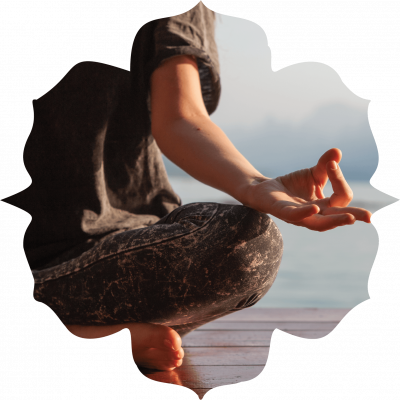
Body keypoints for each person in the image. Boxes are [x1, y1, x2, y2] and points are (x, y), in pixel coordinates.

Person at [2, 2, 372, 371]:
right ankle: (91, 333)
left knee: (251, 242)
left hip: (114, 256)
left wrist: (256, 185)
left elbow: (181, 116)